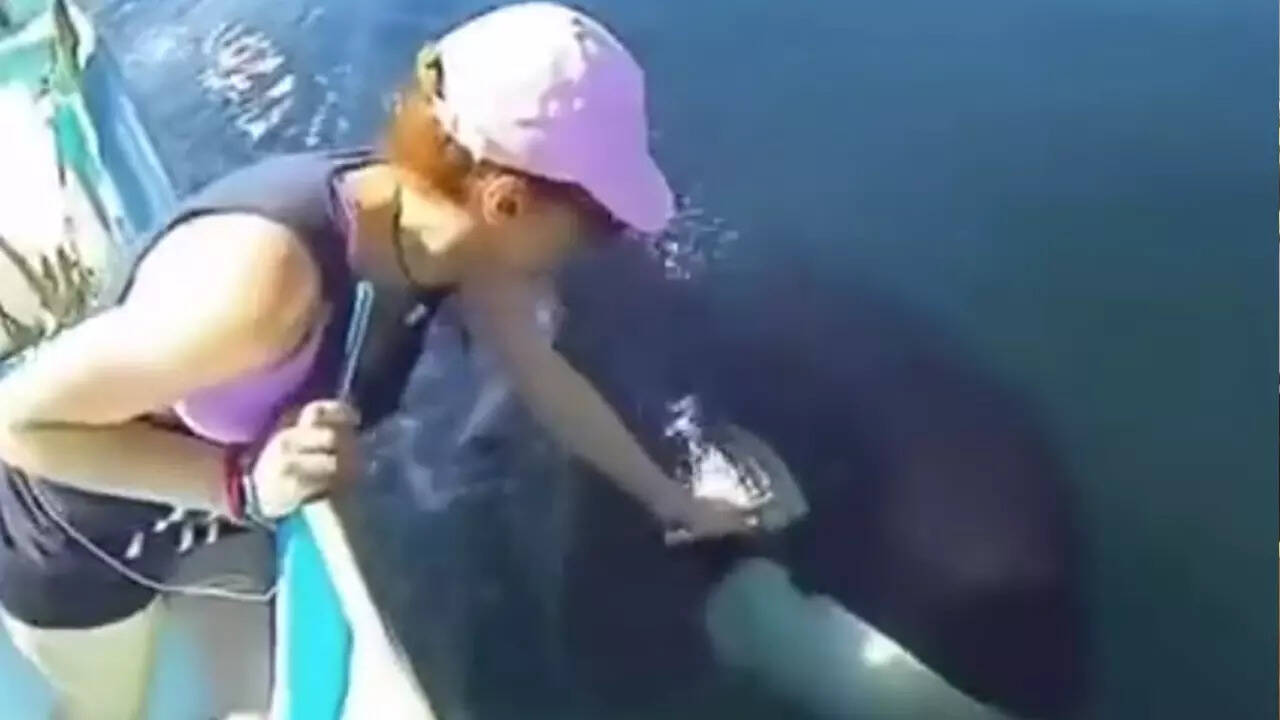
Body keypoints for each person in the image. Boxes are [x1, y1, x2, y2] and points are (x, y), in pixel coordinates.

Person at [0, 4, 761, 719]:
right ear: (504, 201)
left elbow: (544, 375)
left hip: (220, 526)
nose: (598, 243)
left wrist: (672, 499)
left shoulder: (451, 239)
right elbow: (21, 423)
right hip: (80, 540)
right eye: (597, 222)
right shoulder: (262, 287)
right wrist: (237, 483)